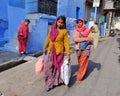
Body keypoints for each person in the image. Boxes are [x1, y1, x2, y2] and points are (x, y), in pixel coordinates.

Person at [43, 15, 70, 92]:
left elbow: (66, 43)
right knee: (48, 68)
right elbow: (48, 38)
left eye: (62, 23)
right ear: (56, 21)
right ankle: (48, 82)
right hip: (51, 51)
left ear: (64, 23)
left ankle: (53, 83)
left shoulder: (64, 32)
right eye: (59, 22)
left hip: (59, 52)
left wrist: (68, 53)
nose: (60, 24)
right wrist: (45, 47)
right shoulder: (52, 28)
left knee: (56, 68)